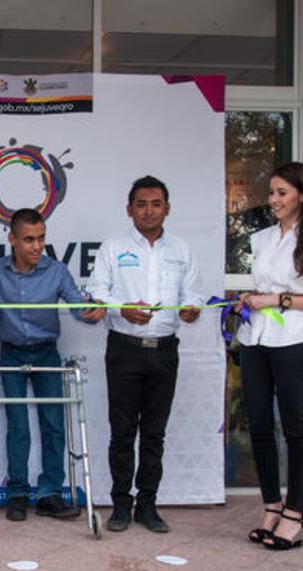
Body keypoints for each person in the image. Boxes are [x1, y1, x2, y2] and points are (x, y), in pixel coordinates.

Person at [0, 208, 105, 521]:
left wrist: (90, 313)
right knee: (17, 425)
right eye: (29, 239)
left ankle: (49, 494)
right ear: (12, 239)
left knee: (54, 424)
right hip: (12, 353)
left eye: (41, 238)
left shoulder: (57, 271)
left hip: (46, 353)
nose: (36, 246)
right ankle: (17, 493)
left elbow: (77, 306)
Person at [87, 175, 203, 534]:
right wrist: (120, 308)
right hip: (124, 349)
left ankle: (148, 506)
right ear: (129, 209)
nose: (148, 211)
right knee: (122, 432)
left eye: (156, 204)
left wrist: (191, 309)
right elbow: (95, 291)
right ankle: (121, 505)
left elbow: (194, 294)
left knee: (154, 434)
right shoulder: (112, 247)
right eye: (141, 204)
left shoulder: (182, 250)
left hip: (164, 351)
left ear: (167, 209)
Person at [237, 162, 303, 550]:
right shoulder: (261, 238)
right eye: (272, 193)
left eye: (282, 193)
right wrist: (250, 300)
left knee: (295, 425)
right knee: (259, 423)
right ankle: (272, 506)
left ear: (301, 194)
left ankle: (295, 512)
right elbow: (261, 286)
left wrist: (277, 299)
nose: (273, 200)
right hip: (255, 339)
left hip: (293, 341)